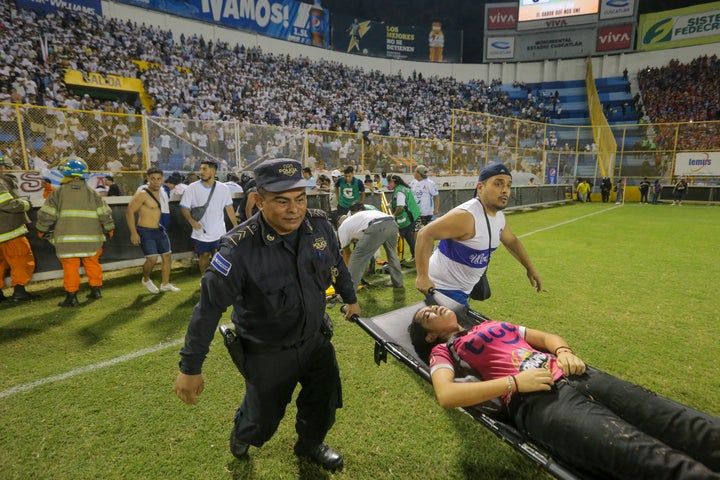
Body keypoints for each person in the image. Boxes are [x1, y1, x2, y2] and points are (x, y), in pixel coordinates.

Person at [174, 158, 361, 471]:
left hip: (315, 340)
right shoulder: (238, 248)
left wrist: (350, 298)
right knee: (263, 418)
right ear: (258, 201)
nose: (294, 209)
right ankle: (243, 432)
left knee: (323, 403)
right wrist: (190, 367)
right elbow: (208, 309)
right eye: (282, 201)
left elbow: (336, 265)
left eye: (300, 199)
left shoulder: (319, 225)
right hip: (267, 352)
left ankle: (311, 443)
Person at [409, 304, 720, 480]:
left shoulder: (491, 324)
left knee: (683, 422)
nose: (431, 307)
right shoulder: (444, 350)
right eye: (426, 316)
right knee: (647, 456)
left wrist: (564, 350)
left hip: (578, 374)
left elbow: (545, 336)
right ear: (431, 335)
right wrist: (514, 384)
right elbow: (447, 395)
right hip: (538, 400)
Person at [415, 163, 542, 306]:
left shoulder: (499, 217)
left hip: (463, 289)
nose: (505, 190)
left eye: (508, 185)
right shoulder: (466, 217)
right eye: (498, 184)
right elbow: (424, 234)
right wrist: (422, 277)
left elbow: (511, 241)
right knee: (467, 328)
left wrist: (530, 268)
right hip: (444, 288)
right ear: (480, 188)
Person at [36, 157, 115, 307]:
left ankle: (71, 297)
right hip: (92, 240)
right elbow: (105, 213)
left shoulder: (58, 193)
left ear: (66, 174)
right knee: (92, 263)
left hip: (67, 241)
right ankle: (96, 290)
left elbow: (46, 215)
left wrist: (41, 230)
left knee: (70, 267)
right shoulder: (93, 193)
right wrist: (110, 228)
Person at [126, 167, 180, 294]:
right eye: (153, 179)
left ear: (163, 179)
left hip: (159, 229)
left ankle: (165, 284)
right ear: (148, 179)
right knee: (152, 259)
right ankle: (146, 279)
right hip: (145, 230)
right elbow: (129, 212)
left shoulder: (163, 192)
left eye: (159, 179)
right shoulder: (142, 194)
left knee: (167, 256)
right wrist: (133, 233)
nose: (156, 182)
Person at [179, 160, 237, 274]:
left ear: (213, 171)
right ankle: (204, 279)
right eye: (200, 169)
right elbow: (184, 207)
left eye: (204, 169)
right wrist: (192, 222)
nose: (201, 172)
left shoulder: (224, 188)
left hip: (219, 231)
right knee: (204, 255)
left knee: (219, 256)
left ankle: (217, 280)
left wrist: (235, 227)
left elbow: (229, 208)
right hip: (201, 231)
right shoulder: (192, 188)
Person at [337, 202, 403, 291]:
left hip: (376, 225)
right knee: (392, 253)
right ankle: (398, 282)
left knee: (356, 258)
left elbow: (347, 253)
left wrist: (347, 272)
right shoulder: (356, 219)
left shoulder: (342, 228)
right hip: (391, 221)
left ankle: (349, 292)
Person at [0, 154, 38, 302]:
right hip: (9, 231)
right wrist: (26, 204)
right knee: (21, 260)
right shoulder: (1, 182)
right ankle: (20, 291)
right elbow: (6, 203)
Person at [387, 174, 420, 260]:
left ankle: (403, 257)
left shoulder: (399, 191)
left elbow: (400, 207)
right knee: (409, 236)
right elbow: (396, 198)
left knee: (404, 236)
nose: (388, 185)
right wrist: (390, 203)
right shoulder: (401, 188)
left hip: (408, 217)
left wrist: (393, 215)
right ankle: (415, 256)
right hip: (413, 214)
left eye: (389, 182)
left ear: (393, 181)